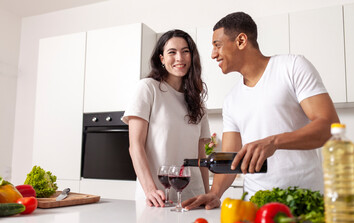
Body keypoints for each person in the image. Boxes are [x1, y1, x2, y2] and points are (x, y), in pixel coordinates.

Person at [183, 12, 340, 210]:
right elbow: (231, 157)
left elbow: (329, 126)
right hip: (255, 206)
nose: (213, 54)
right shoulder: (232, 100)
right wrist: (214, 193)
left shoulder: (292, 67)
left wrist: (274, 142)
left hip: (304, 201)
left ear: (241, 40)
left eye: (217, 44)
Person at [121, 29, 211, 207]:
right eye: (172, 52)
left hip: (194, 197)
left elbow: (201, 155)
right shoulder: (148, 88)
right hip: (158, 198)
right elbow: (135, 145)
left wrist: (207, 194)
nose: (180, 58)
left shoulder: (197, 102)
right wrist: (150, 190)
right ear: (161, 58)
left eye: (186, 51)